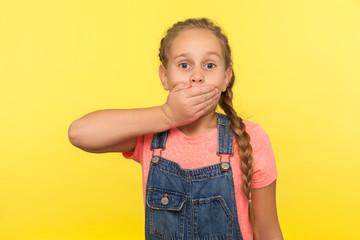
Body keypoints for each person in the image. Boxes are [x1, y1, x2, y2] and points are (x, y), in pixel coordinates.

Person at [68, 18, 283, 240]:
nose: (197, 76)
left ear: (226, 78)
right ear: (165, 77)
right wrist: (167, 115)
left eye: (209, 65)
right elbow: (79, 133)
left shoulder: (250, 138)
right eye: (184, 65)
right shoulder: (150, 135)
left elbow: (269, 232)